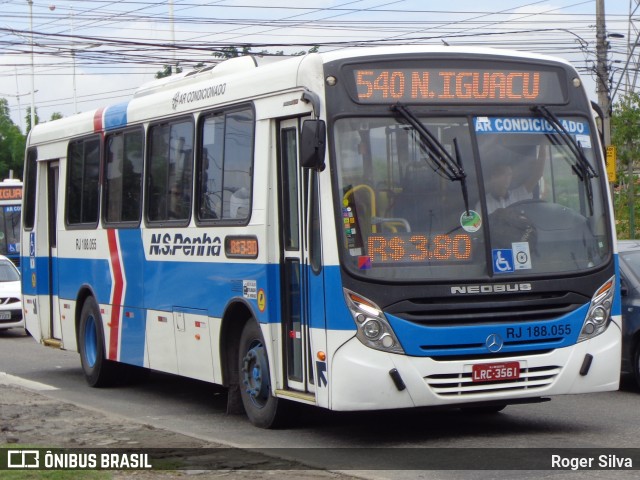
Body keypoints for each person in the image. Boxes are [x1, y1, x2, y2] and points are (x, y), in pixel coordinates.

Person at [482, 146, 547, 214]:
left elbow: (538, 174)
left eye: (509, 174)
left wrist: (543, 144)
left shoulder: (518, 195)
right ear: (493, 177)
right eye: (503, 174)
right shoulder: (484, 203)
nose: (507, 178)